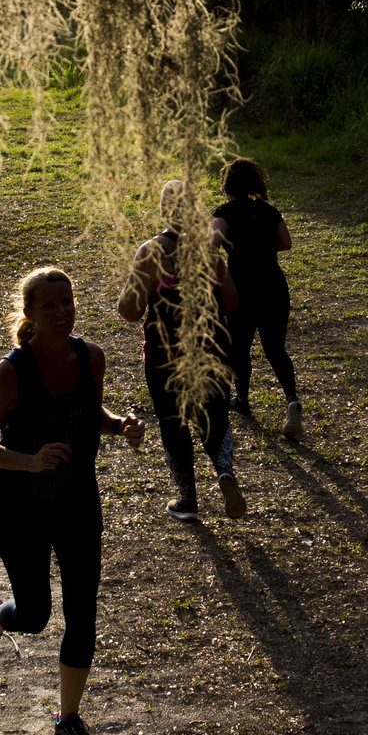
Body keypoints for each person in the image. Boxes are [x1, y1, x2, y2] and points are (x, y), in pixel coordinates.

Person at [0, 268, 144, 735]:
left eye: (67, 302)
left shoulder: (92, 357)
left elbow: (91, 413)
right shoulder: (13, 371)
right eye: (49, 306)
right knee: (37, 614)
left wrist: (119, 425)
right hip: (23, 507)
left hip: (79, 502)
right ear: (30, 314)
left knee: (83, 615)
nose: (62, 313)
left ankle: (68, 721)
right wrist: (28, 460)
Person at [119, 180, 243, 522]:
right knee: (215, 416)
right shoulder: (210, 252)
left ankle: (187, 499)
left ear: (163, 212)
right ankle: (223, 470)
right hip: (212, 351)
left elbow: (130, 310)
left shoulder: (151, 252)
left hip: (164, 355)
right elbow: (231, 302)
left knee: (172, 422)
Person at [211, 157, 302, 443]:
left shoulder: (223, 213)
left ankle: (243, 400)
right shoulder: (268, 211)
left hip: (241, 289)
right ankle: (291, 399)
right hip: (274, 286)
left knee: (239, 347)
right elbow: (285, 243)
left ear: (226, 187)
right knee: (276, 349)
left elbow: (210, 245)